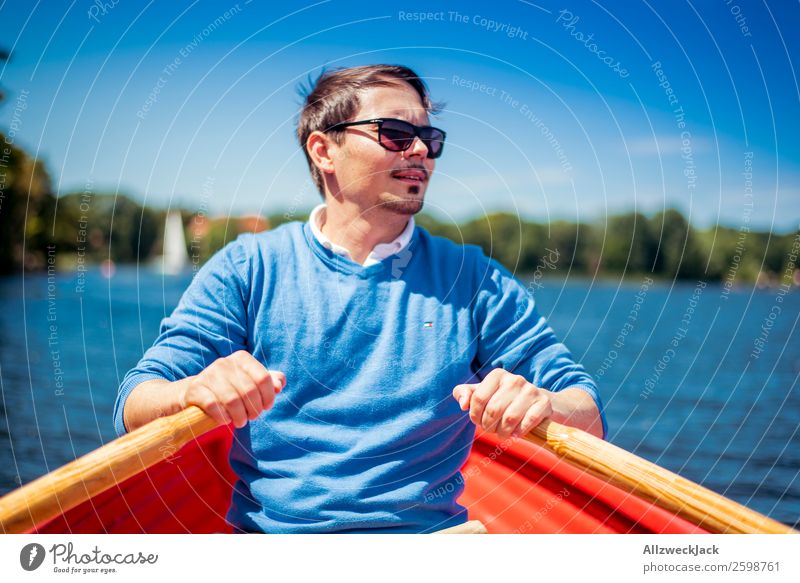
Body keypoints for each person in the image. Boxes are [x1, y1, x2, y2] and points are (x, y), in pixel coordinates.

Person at [114, 64, 606, 534]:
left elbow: (588, 412)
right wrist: (191, 389)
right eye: (395, 133)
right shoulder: (248, 268)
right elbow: (135, 400)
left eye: (430, 139)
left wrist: (544, 403)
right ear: (324, 150)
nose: (420, 151)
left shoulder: (476, 281)